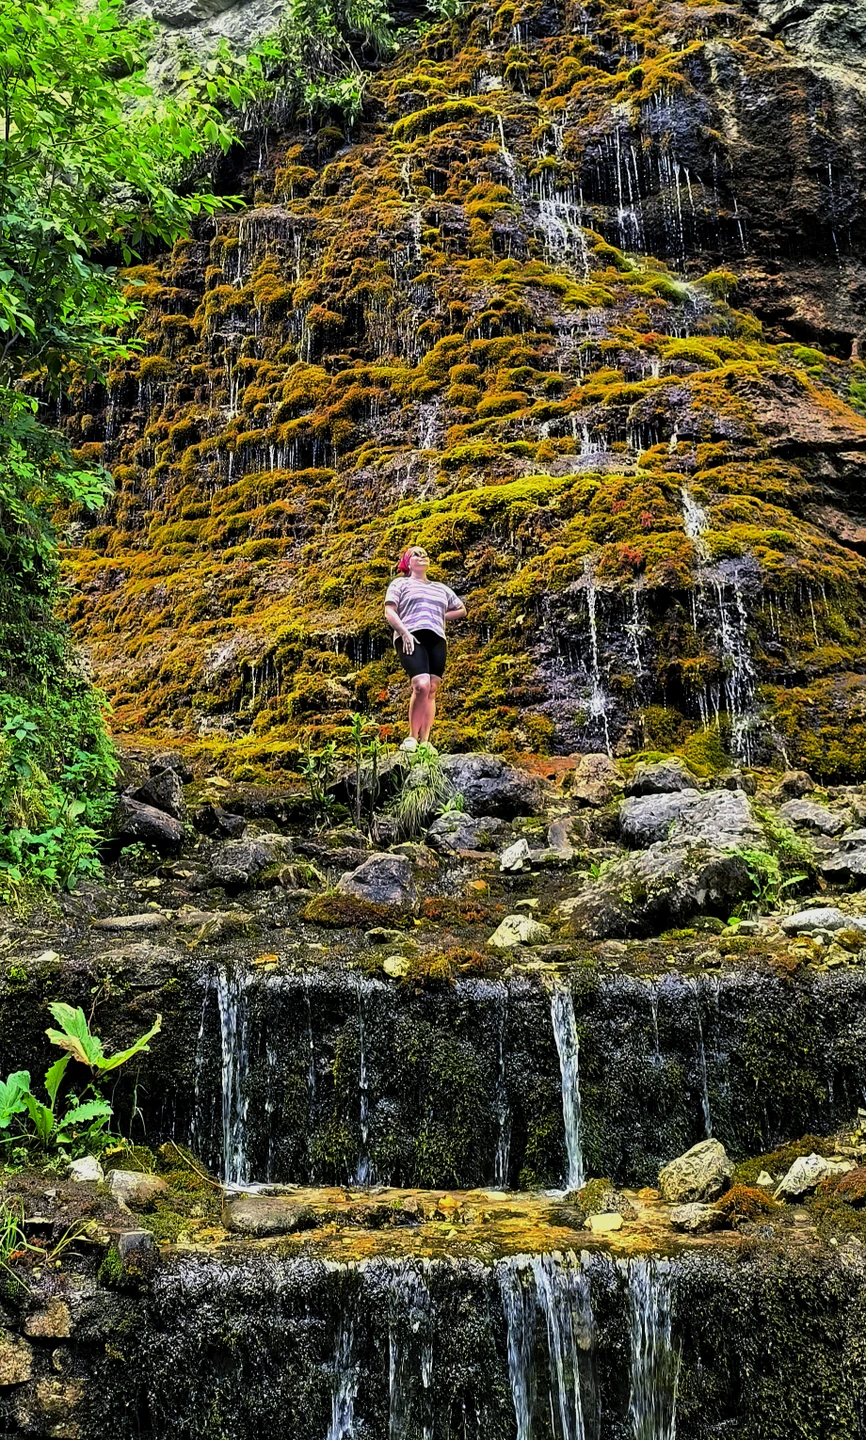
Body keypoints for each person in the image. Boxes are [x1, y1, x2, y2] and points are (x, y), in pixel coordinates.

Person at [384, 545, 466, 750]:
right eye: (416, 554)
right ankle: (412, 737)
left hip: (437, 637)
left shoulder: (441, 588)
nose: (422, 556)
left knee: (432, 688)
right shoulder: (400, 584)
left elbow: (461, 609)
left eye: (425, 554)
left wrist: (438, 616)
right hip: (411, 635)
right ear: (407, 563)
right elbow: (389, 611)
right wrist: (404, 633)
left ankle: (425, 742)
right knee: (421, 685)